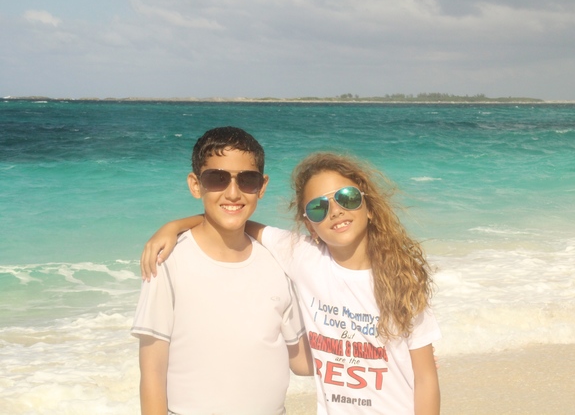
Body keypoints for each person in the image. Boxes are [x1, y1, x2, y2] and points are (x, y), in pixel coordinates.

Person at [142, 152, 441, 414]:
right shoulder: (303, 257)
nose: (335, 210)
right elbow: (235, 220)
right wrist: (175, 226)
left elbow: (426, 378)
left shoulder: (402, 278)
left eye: (347, 198)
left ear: (369, 206)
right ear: (309, 225)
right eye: (318, 208)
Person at [131, 126, 312, 415]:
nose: (233, 193)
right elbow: (152, 370)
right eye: (217, 178)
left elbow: (301, 361)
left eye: (247, 180)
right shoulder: (168, 261)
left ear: (262, 186)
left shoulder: (278, 261)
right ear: (195, 185)